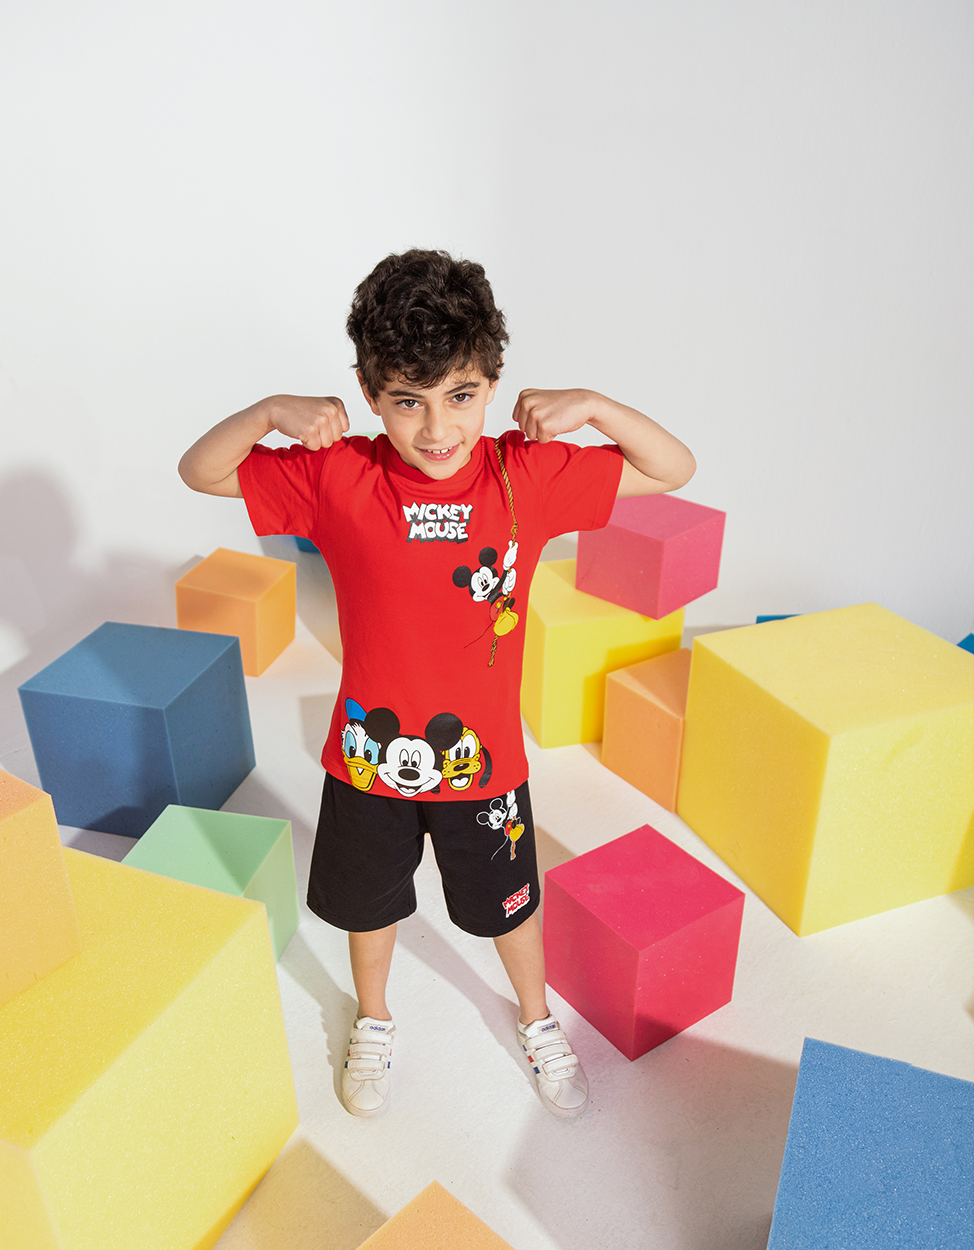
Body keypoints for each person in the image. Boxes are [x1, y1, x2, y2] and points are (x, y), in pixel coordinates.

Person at [179, 249, 695, 1120]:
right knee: (368, 906)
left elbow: (672, 468)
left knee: (509, 908)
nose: (436, 430)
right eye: (407, 401)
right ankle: (374, 1018)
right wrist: (269, 412)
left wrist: (596, 406)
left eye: (459, 396)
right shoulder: (338, 474)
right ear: (369, 393)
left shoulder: (526, 474)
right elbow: (200, 471)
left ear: (494, 383)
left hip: (483, 766)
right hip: (368, 760)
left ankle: (536, 1018)